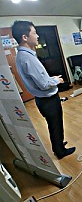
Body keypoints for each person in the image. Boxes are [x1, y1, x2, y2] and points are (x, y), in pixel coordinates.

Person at [12, 20, 75, 159]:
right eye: (34, 33)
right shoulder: (28, 57)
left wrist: (50, 78)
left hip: (42, 99)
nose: (38, 36)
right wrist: (56, 80)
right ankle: (60, 151)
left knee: (54, 125)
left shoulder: (21, 55)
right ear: (25, 37)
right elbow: (44, 84)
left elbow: (39, 78)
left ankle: (58, 144)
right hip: (48, 100)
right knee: (55, 124)